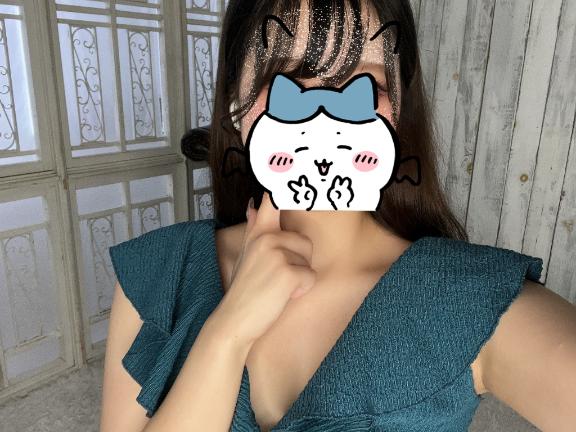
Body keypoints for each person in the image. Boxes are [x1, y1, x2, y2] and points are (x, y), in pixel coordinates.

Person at [100, 0, 576, 431]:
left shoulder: (472, 299)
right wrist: (227, 333)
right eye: (287, 79)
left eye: (364, 84)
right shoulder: (157, 271)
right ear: (234, 107)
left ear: (399, 109)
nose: (323, 118)